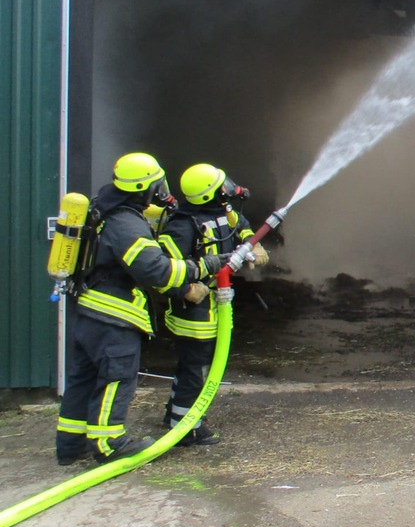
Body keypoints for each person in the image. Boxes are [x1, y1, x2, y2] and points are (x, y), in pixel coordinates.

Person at [56, 152, 222, 465]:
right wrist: (201, 266)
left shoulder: (104, 209)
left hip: (90, 312)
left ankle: (69, 445)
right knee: (115, 378)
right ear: (144, 188)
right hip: (113, 317)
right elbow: (155, 270)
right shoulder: (126, 223)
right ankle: (110, 445)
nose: (161, 190)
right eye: (157, 185)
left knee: (84, 379)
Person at [157, 163, 269, 446]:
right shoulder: (182, 226)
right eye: (224, 186)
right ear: (211, 194)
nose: (230, 189)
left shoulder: (225, 213)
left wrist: (253, 245)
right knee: (197, 369)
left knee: (191, 366)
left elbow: (242, 230)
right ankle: (187, 427)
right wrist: (185, 289)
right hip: (193, 310)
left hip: (215, 305)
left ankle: (174, 413)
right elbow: (162, 268)